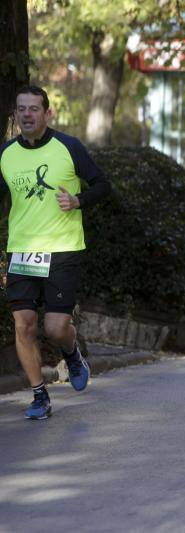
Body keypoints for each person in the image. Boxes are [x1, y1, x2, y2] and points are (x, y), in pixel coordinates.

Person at [0, 85, 111, 419]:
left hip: (63, 249)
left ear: (48, 113)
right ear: (15, 114)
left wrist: (78, 201)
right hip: (22, 250)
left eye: (34, 109)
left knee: (55, 328)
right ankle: (39, 396)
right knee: (23, 325)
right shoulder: (6, 154)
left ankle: (72, 353)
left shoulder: (69, 146)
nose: (27, 115)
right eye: (21, 109)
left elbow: (103, 185)